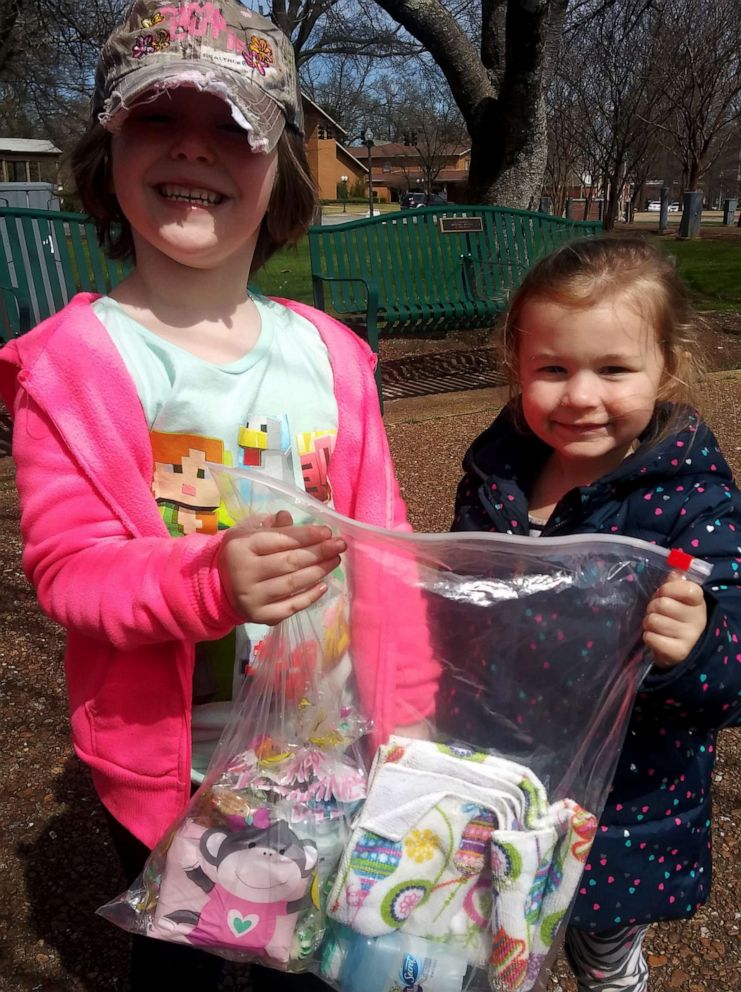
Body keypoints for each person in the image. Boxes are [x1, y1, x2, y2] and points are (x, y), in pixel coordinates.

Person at [0, 2, 435, 989]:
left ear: (278, 167)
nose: (194, 145)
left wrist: (409, 721)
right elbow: (70, 570)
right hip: (174, 775)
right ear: (105, 153)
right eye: (157, 116)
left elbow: (388, 551)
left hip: (327, 755)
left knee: (313, 963)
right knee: (188, 971)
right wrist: (210, 577)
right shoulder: (76, 364)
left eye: (235, 125)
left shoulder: (333, 356)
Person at [449, 236, 741, 991]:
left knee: (598, 936)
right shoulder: (496, 472)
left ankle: (613, 972)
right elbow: (461, 594)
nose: (579, 395)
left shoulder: (693, 501)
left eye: (613, 369)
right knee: (485, 930)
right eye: (552, 369)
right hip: (504, 773)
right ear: (516, 366)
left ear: (666, 369)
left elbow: (731, 674)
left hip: (625, 798)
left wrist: (699, 646)